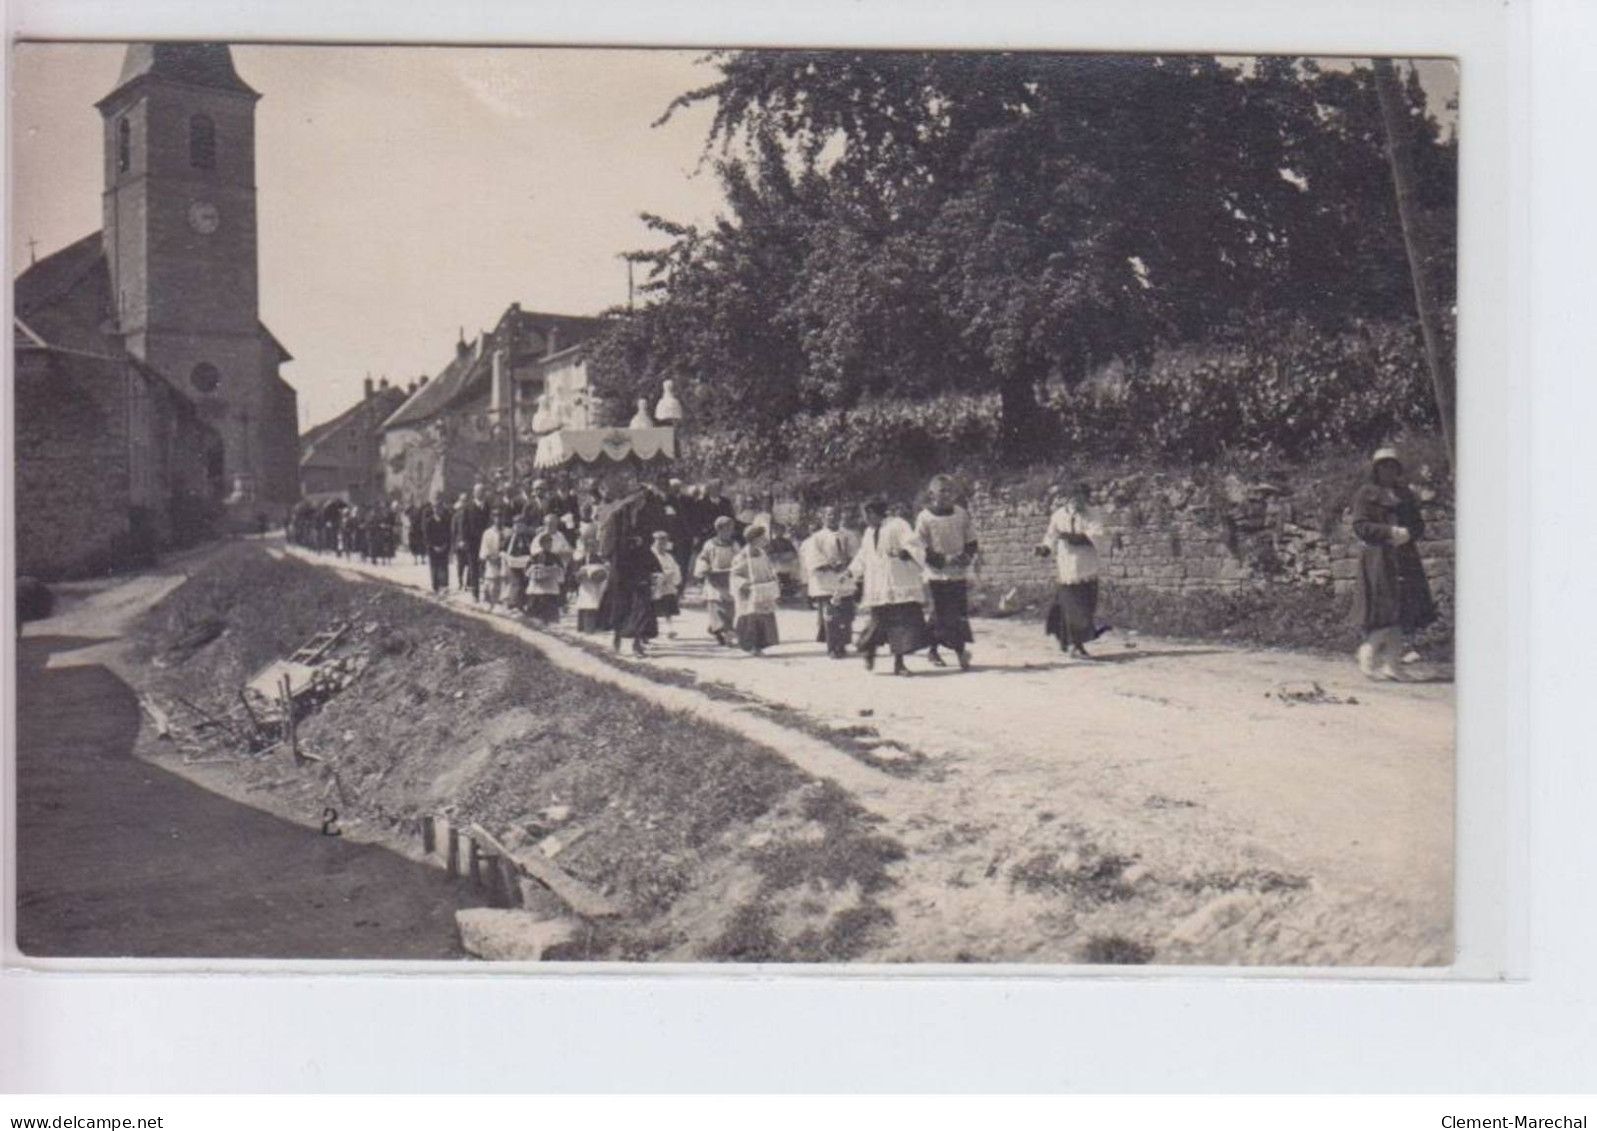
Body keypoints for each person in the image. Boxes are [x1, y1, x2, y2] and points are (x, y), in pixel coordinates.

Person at [1350, 447, 1437, 680]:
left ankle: (1393, 664)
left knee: (1403, 609)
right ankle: (1367, 652)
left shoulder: (1404, 494)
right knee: (1384, 608)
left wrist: (1409, 534)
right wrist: (1388, 531)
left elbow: (1418, 525)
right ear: (1375, 470)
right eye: (1383, 466)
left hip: (1405, 557)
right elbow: (1360, 526)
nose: (1388, 471)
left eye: (1392, 466)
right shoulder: (1366, 494)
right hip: (1379, 557)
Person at [848, 498, 930, 675]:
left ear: (874, 513)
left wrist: (904, 552)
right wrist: (851, 572)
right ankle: (868, 649)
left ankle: (899, 664)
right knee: (877, 623)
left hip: (898, 582)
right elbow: (863, 556)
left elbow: (914, 544)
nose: (865, 519)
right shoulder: (869, 532)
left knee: (900, 626)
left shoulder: (897, 525)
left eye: (867, 514)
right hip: (878, 586)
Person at [915, 474, 980, 670]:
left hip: (958, 572)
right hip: (936, 573)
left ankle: (947, 650)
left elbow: (971, 541)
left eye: (950, 491)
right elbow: (919, 545)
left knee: (958, 613)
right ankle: (947, 651)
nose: (946, 495)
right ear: (931, 494)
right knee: (941, 613)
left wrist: (966, 557)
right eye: (942, 491)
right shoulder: (925, 517)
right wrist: (941, 560)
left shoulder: (961, 514)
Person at [1037, 483, 1108, 658]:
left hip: (1087, 568)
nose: (1078, 501)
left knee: (1085, 609)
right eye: (1074, 497)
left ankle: (1074, 643)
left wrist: (1072, 537)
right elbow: (1050, 536)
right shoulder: (1058, 516)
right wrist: (1045, 548)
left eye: (1082, 497)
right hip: (1067, 569)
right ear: (1067, 499)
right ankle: (1075, 645)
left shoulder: (1093, 514)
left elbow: (1097, 536)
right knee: (1071, 609)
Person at [800, 506, 860, 659]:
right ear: (823, 517)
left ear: (840, 516)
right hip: (826, 580)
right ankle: (832, 646)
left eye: (835, 514)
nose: (832, 517)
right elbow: (813, 558)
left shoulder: (849, 535)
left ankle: (842, 644)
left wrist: (848, 563)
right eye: (828, 515)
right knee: (831, 616)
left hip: (844, 578)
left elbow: (856, 554)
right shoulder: (817, 538)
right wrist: (830, 565)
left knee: (845, 615)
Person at [730, 524, 781, 656]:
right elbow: (735, 574)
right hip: (750, 593)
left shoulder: (762, 553)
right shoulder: (742, 556)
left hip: (764, 591)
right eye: (762, 537)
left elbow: (769, 569)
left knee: (763, 618)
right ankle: (751, 646)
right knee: (750, 620)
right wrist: (745, 584)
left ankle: (760, 645)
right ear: (754, 539)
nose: (765, 539)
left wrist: (773, 580)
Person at [612, 533, 662, 657]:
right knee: (622, 614)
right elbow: (617, 570)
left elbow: (657, 569)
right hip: (624, 587)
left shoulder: (647, 553)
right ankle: (617, 640)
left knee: (642, 614)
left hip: (642, 587)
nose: (636, 542)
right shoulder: (621, 552)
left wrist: (651, 579)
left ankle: (637, 644)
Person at [694, 515, 740, 646]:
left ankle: (723, 630)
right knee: (717, 606)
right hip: (714, 577)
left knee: (730, 607)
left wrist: (738, 568)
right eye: (727, 529)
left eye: (731, 529)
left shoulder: (734, 544)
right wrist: (705, 569)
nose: (730, 531)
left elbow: (740, 558)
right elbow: (703, 558)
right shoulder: (710, 544)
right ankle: (723, 632)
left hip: (729, 576)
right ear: (719, 529)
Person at [573, 523, 610, 633]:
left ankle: (594, 627)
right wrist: (581, 574)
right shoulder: (582, 559)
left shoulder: (601, 558)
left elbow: (606, 569)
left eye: (595, 547)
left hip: (597, 586)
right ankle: (582, 627)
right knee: (585, 603)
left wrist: (603, 571)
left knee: (595, 604)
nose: (592, 549)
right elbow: (576, 571)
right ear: (586, 548)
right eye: (590, 547)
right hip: (585, 585)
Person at [526, 533, 567, 623]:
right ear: (541, 544)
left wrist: (555, 570)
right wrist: (536, 570)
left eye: (550, 543)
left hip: (550, 586)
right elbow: (528, 570)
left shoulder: (555, 557)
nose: (548, 545)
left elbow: (561, 570)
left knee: (550, 605)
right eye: (546, 543)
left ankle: (549, 622)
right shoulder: (535, 556)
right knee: (537, 605)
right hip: (538, 586)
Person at [650, 530, 684, 638]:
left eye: (664, 542)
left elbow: (675, 569)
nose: (661, 545)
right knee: (652, 609)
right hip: (655, 585)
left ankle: (670, 629)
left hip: (667, 585)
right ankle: (650, 630)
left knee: (668, 609)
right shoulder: (651, 555)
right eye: (659, 542)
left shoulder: (669, 556)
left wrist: (673, 578)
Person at [502, 512, 536, 613]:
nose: (518, 527)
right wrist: (506, 557)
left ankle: (522, 604)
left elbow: (532, 549)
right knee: (516, 583)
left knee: (525, 583)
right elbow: (503, 550)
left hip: (525, 563)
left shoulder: (529, 538)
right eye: (516, 525)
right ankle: (512, 604)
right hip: (512, 563)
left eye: (521, 525)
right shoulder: (510, 538)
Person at [478, 507, 508, 611]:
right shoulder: (488, 533)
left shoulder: (508, 531)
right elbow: (484, 550)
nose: (498, 519)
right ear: (492, 518)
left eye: (500, 516)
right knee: (491, 582)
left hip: (504, 562)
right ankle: (489, 602)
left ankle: (501, 604)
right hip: (492, 561)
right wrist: (491, 558)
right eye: (496, 517)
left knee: (503, 582)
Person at [424, 500, 453, 595]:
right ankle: (435, 586)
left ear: (441, 509)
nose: (437, 510)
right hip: (433, 548)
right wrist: (433, 546)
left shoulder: (446, 521)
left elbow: (449, 534)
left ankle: (444, 585)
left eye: (438, 508)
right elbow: (427, 536)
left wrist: (445, 545)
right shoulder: (429, 521)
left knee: (444, 566)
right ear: (433, 509)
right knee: (434, 567)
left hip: (444, 546)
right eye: (435, 508)